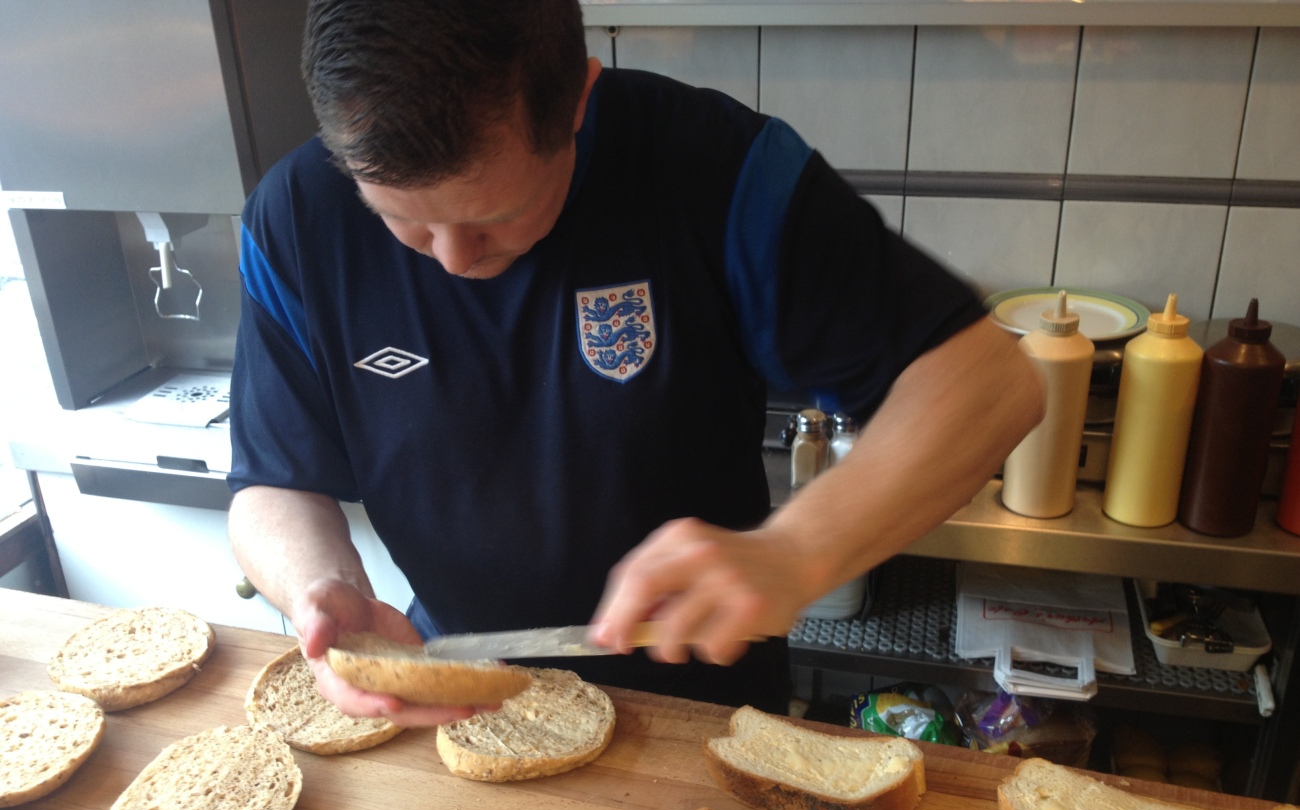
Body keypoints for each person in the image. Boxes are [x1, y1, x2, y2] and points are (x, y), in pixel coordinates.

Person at [227, 0, 1042, 726]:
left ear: (579, 97)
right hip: (457, 696)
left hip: (702, 711)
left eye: (494, 217)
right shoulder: (297, 217)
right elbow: (272, 479)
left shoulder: (719, 172)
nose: (449, 258)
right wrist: (319, 588)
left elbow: (987, 383)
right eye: (400, 219)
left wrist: (798, 551)